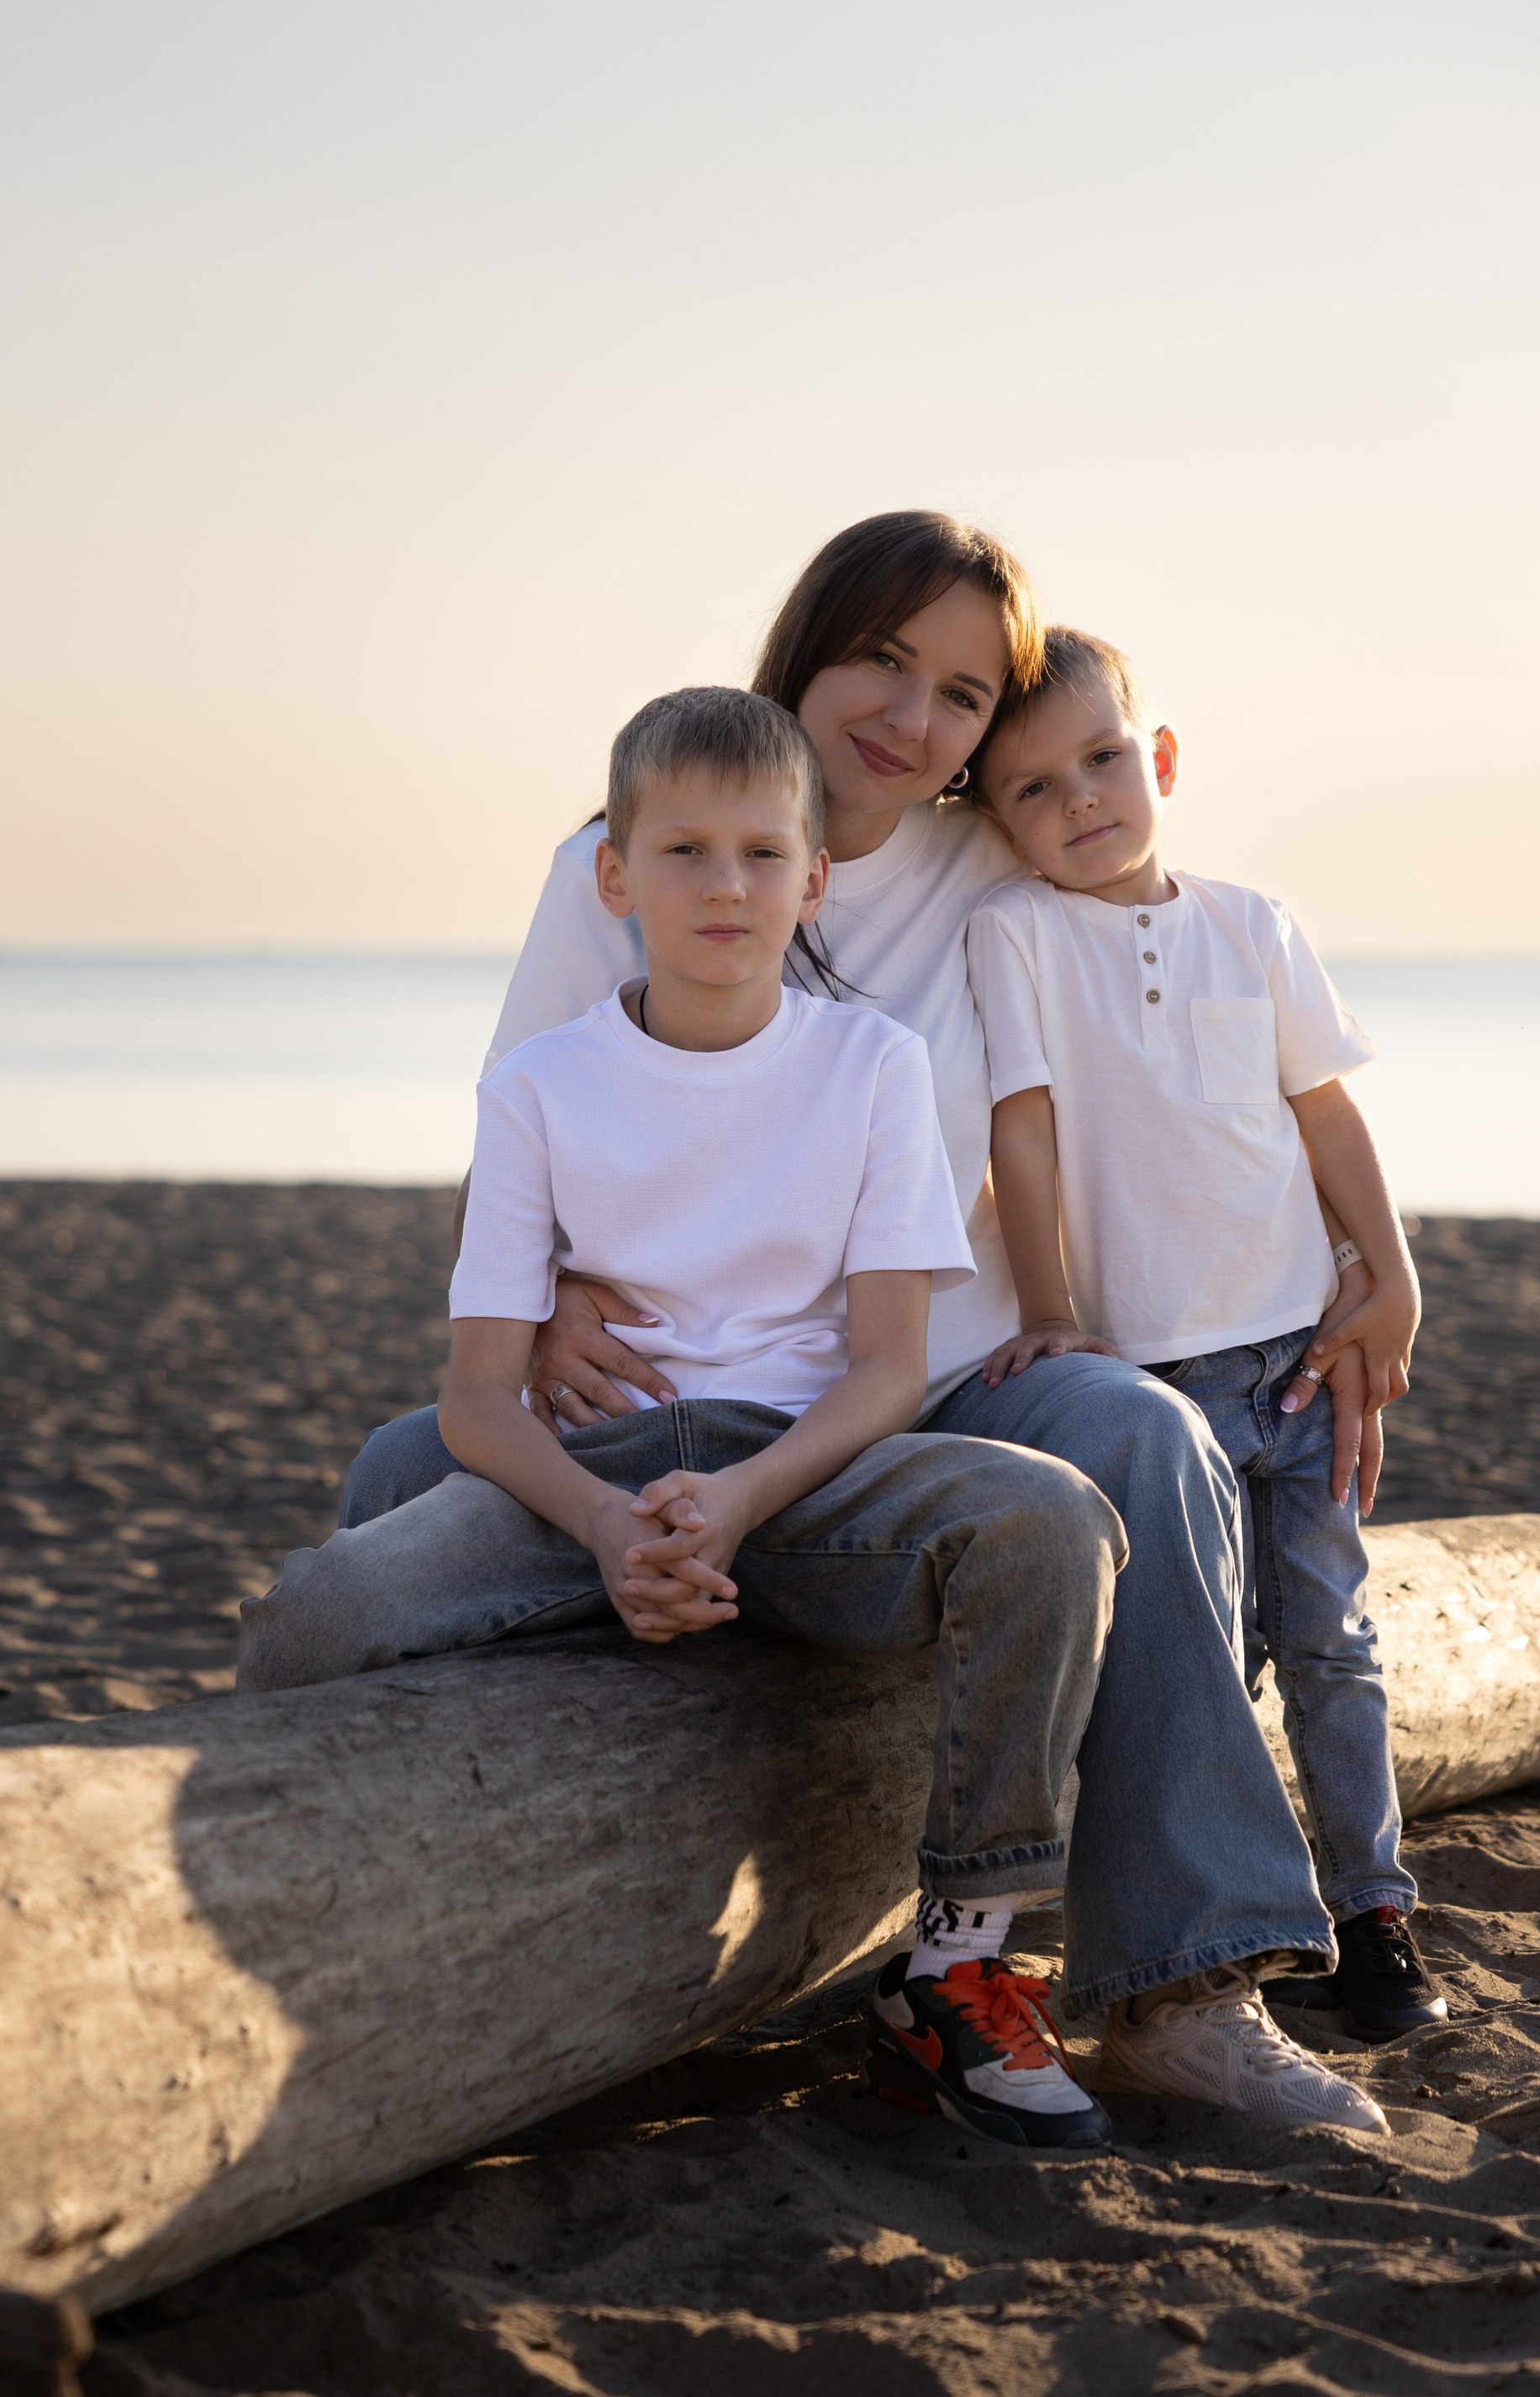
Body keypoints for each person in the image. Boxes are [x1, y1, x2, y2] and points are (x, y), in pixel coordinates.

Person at [339, 513, 1387, 2128]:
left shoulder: (1001, 862)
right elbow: (525, 1121)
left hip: (941, 1383)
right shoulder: (628, 855)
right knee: (396, 1480)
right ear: (809, 647)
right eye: (885, 662)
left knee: (1149, 1438)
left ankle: (1184, 1988)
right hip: (670, 1398)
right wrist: (546, 1297)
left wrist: (1358, 1259)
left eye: (964, 695)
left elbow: (1184, 1028)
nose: (914, 718)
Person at [241, 684, 1126, 2151]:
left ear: (814, 879)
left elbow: (888, 1369)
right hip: (590, 1474)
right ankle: (346, 1935)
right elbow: (479, 1395)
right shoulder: (538, 1088)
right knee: (311, 1616)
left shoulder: (874, 1068)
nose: (727, 887)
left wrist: (739, 1499)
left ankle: (960, 1962)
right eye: (685, 852)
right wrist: (607, 1526)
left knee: (1052, 1522)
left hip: (805, 1475)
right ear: (615, 876)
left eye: (763, 854)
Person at [964, 625, 1444, 2046]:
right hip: (1153, 1384)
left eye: (1103, 760)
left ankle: (1376, 1911)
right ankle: (1241, 1922)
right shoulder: (1017, 932)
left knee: (1335, 1644)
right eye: (1035, 788)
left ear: (1160, 757)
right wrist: (1052, 1313)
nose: (1080, 801)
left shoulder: (1253, 923)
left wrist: (1391, 1274)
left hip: (1300, 1360)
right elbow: (1023, 1134)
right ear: (1000, 822)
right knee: (1208, 1666)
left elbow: (1325, 1115)